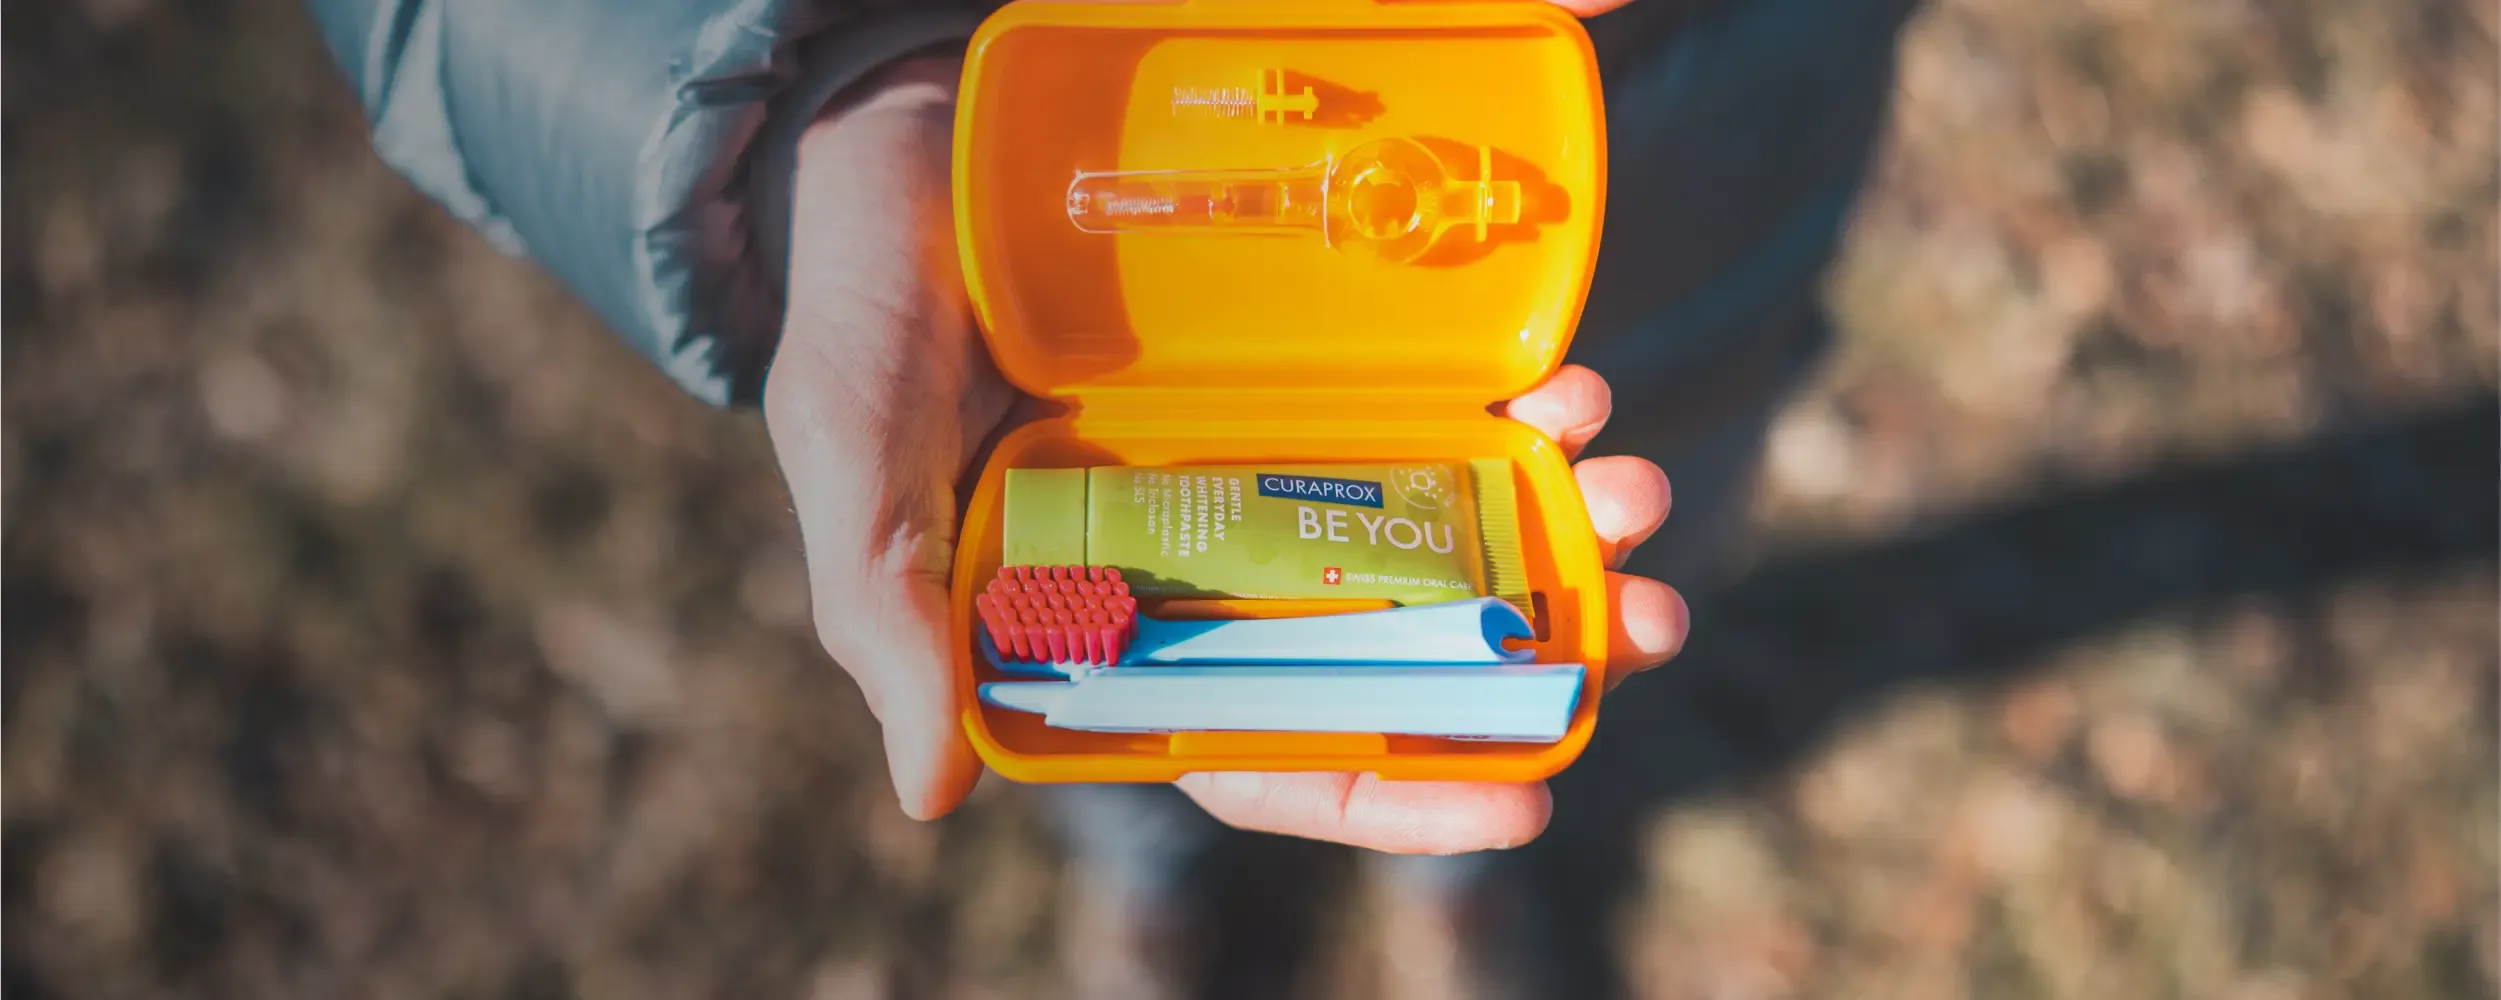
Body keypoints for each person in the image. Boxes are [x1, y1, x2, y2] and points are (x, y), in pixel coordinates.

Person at [307, 0, 1915, 994]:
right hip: (1071, 153)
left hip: (1679, 142)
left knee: (1579, 593)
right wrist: (848, 103)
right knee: (1107, 722)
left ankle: (1458, 878)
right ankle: (1152, 870)